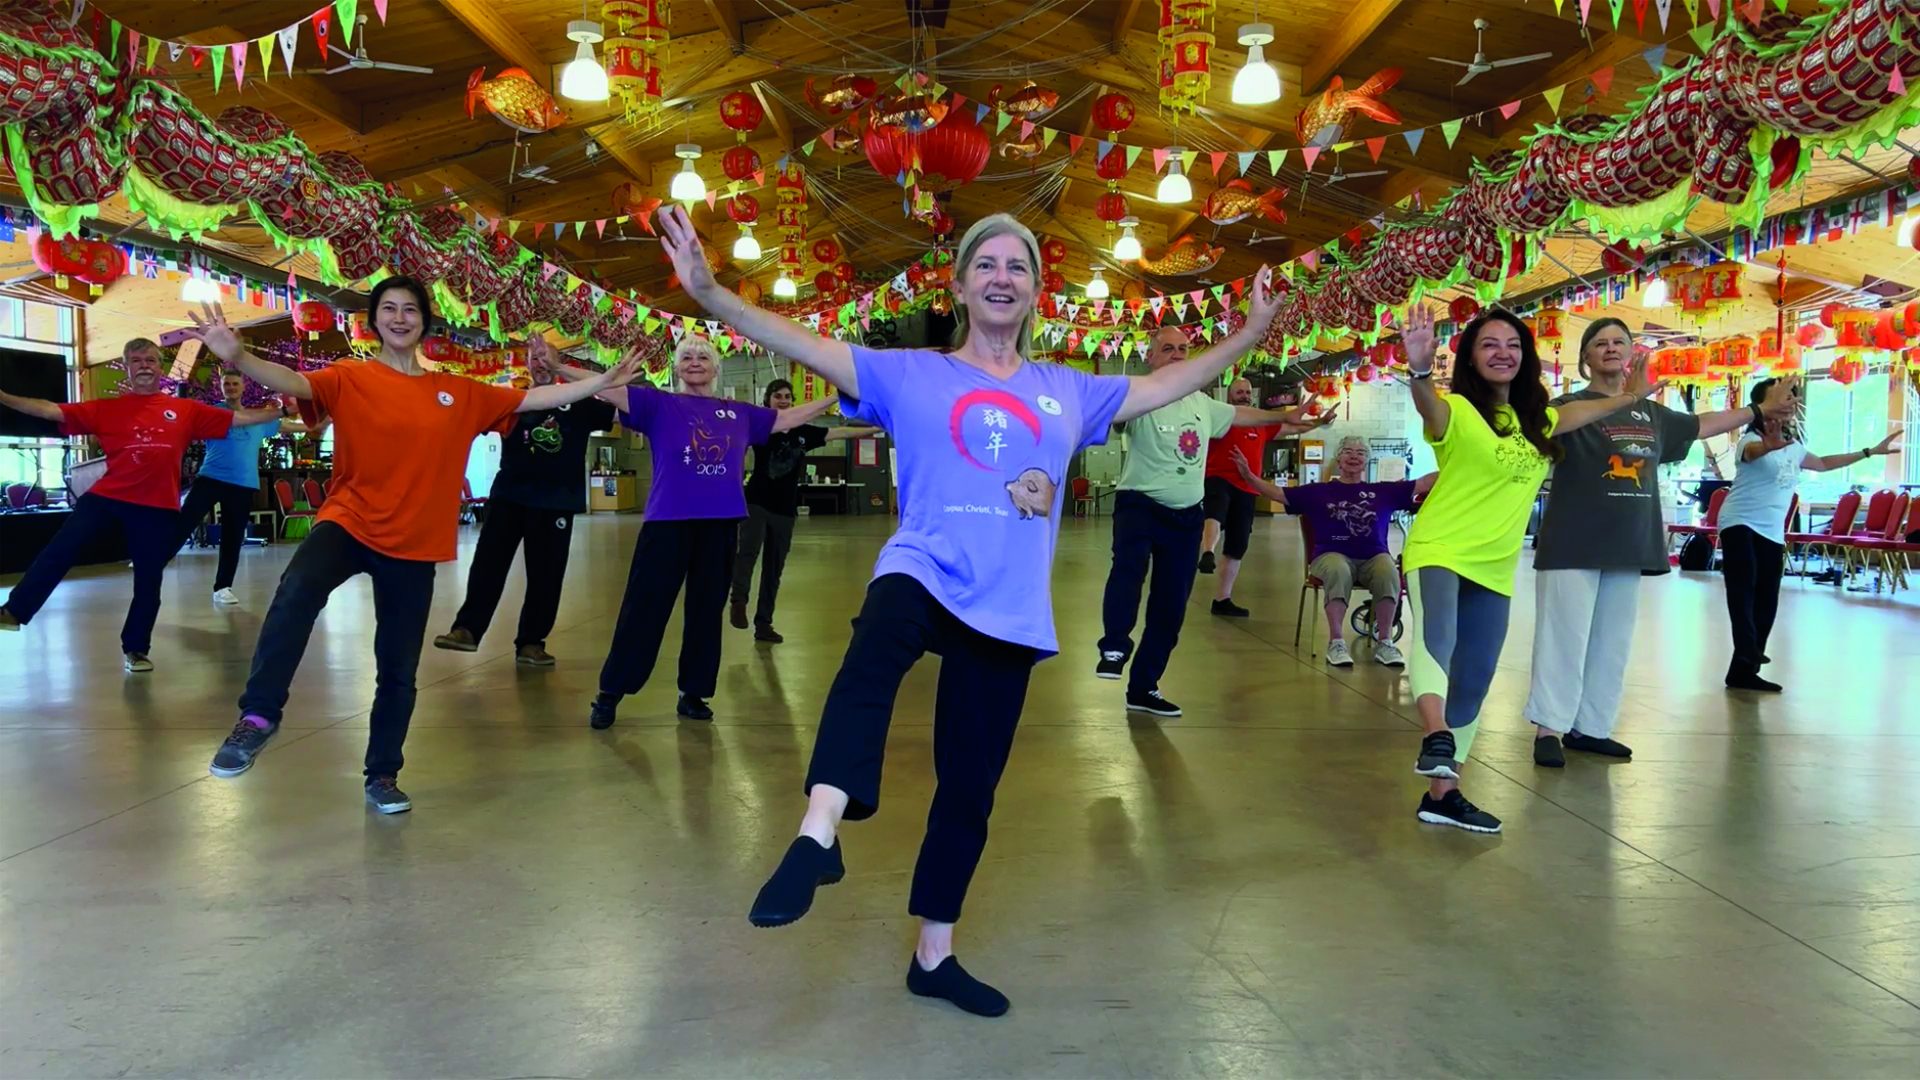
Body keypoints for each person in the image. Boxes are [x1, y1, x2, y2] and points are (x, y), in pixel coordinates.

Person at [654, 201, 1281, 1017]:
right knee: (872, 652)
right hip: (924, 565)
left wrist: (1251, 333)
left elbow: (1169, 382)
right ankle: (818, 831)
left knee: (969, 785)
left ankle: (934, 955)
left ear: (1036, 292)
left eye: (1017, 266)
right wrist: (709, 294)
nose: (1001, 276)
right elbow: (801, 341)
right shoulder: (910, 373)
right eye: (986, 263)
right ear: (957, 286)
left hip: (1008, 602)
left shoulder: (1068, 392)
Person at [186, 279, 641, 813]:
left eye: (410, 309)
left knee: (398, 666)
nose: (399, 317)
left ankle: (382, 773)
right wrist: (238, 356)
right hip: (349, 520)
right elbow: (296, 382)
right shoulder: (351, 376)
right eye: (388, 309)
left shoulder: (459, 392)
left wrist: (598, 381)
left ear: (424, 321)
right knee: (297, 588)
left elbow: (533, 397)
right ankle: (259, 716)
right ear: (375, 321)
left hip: (415, 542)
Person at [1398, 307, 1665, 835]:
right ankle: (1435, 735)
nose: (1503, 353)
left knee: (1476, 676)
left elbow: (1588, 410)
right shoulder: (1456, 411)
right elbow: (1428, 405)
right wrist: (1420, 370)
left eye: (1513, 345)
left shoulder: (1537, 420)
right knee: (1437, 641)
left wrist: (1631, 396)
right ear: (1471, 357)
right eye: (1489, 344)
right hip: (1440, 547)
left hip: (1495, 564)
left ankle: (1443, 795)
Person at [1526, 319, 1801, 764]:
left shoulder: (1652, 415)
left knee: (1612, 640)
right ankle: (1548, 728)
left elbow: (1703, 424)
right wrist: (1627, 397)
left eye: (1619, 341)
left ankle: (1591, 727)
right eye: (1600, 343)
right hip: (1574, 540)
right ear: (1585, 357)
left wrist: (1757, 410)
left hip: (1629, 542)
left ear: (1631, 353)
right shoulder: (1569, 405)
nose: (1610, 348)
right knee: (1565, 636)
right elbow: (1542, 427)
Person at [584, 337, 833, 727]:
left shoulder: (738, 413)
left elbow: (787, 419)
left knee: (706, 610)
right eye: (686, 356)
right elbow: (605, 391)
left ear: (717, 367)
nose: (695, 361)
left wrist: (834, 397)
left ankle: (694, 693)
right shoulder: (659, 404)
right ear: (676, 367)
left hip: (720, 523)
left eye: (703, 356)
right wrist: (562, 368)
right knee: (644, 608)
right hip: (667, 522)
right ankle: (610, 692)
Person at [0, 339, 274, 671]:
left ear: (159, 367)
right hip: (108, 496)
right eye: (136, 360)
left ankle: (136, 649)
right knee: (61, 549)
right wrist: (4, 397)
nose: (144, 365)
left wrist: (283, 410)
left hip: (156, 506)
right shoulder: (106, 408)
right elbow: (49, 409)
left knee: (148, 579)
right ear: (128, 368)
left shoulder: (186, 410)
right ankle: (14, 611)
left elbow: (239, 420)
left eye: (150, 360)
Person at [1096, 334, 1311, 716]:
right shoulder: (1139, 393)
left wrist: (1283, 416)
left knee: (1171, 605)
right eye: (1168, 349)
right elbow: (1116, 415)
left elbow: (1241, 415)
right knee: (1128, 571)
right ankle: (1114, 646)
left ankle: (1143, 687)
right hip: (1139, 505)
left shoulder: (1202, 404)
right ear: (1150, 357)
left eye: (1183, 349)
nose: (1177, 355)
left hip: (1186, 514)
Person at [432, 337, 616, 667]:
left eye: (547, 359)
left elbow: (619, 407)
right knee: (488, 565)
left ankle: (531, 642)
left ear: (559, 364)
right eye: (535, 359)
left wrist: (567, 372)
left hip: (556, 502)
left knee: (547, 575)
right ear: (527, 364)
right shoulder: (514, 400)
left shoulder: (582, 404)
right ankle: (467, 630)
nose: (540, 364)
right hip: (509, 497)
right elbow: (466, 419)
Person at [1716, 378, 1899, 693]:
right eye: (1782, 397)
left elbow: (1824, 463)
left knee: (1767, 599)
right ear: (1762, 405)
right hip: (1739, 522)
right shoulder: (1750, 440)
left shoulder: (1793, 446)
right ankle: (1747, 649)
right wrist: (1768, 446)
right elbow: (1753, 453)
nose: (1790, 403)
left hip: (1772, 530)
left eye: (1792, 397)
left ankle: (1743, 672)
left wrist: (1870, 451)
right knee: (1743, 587)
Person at [1231, 435, 1434, 668]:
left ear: (1367, 461)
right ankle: (1336, 643)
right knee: (1338, 569)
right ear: (1338, 459)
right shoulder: (1318, 491)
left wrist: (1456, 460)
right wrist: (1249, 476)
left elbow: (1424, 483)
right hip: (1330, 556)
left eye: (1360, 453)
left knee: (1388, 570)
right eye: (1348, 451)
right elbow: (1279, 494)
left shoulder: (1384, 491)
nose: (1354, 456)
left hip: (1373, 557)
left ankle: (1385, 642)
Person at [729, 379, 868, 643]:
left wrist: (877, 428)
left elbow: (840, 433)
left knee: (774, 568)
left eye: (787, 397)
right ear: (768, 400)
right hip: (757, 502)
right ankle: (738, 600)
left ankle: (764, 624)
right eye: (778, 396)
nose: (783, 400)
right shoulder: (761, 426)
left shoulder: (804, 432)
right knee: (747, 552)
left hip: (784, 509)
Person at [173, 370, 324, 606]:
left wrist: (326, 420)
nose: (231, 388)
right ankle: (155, 558)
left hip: (242, 483)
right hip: (210, 478)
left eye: (235, 383)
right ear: (221, 387)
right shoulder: (213, 412)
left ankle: (223, 587)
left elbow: (292, 426)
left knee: (233, 536)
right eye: (227, 384)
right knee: (184, 522)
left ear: (243, 387)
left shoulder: (259, 419)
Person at [1198, 376, 1326, 617]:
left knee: (1237, 545)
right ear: (1229, 396)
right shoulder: (1222, 418)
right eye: (1239, 392)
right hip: (1218, 477)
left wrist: (1321, 421)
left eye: (1247, 392)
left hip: (1248, 487)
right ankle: (1207, 552)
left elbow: (1295, 428)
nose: (1244, 396)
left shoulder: (1262, 424)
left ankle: (1222, 599)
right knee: (1216, 510)